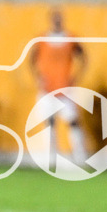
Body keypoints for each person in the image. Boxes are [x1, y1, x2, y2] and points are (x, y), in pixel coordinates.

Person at [30, 8, 86, 162]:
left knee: (73, 121)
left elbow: (83, 58)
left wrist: (76, 76)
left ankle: (80, 156)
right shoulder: (42, 39)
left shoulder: (70, 38)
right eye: (54, 18)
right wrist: (38, 77)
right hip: (47, 89)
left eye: (59, 18)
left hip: (65, 88)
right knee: (49, 122)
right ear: (50, 20)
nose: (57, 21)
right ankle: (52, 157)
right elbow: (31, 59)